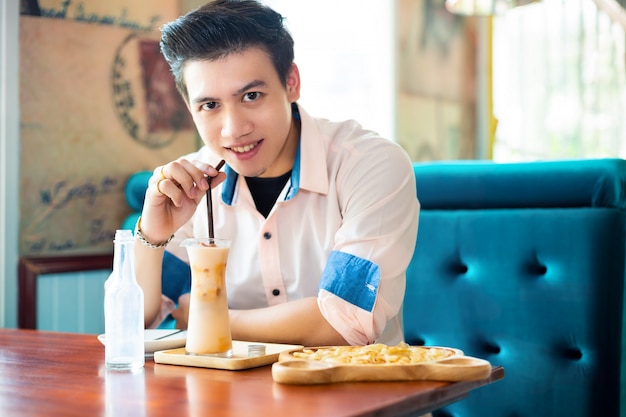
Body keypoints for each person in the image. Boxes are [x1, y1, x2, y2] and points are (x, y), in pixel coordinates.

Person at [134, 0, 419, 347]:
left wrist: (208, 318)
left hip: (359, 396)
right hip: (228, 399)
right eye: (210, 105)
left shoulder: (370, 164)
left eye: (251, 96)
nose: (233, 129)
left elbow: (347, 321)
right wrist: (152, 235)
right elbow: (134, 325)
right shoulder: (191, 185)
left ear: (292, 83)